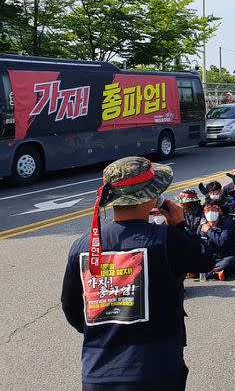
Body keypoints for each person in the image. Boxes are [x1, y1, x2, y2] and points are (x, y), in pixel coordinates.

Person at [61, 156, 213, 390]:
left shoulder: (83, 246)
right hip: (157, 370)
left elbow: (71, 308)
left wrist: (107, 328)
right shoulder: (167, 240)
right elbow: (205, 260)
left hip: (98, 373)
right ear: (152, 198)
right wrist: (181, 225)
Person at [198, 204, 235, 280]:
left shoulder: (227, 224)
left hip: (222, 258)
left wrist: (209, 230)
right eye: (208, 211)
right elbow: (196, 243)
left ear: (218, 212)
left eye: (213, 210)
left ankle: (205, 272)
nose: (210, 213)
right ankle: (214, 273)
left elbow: (221, 242)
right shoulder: (201, 226)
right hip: (207, 258)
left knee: (230, 261)